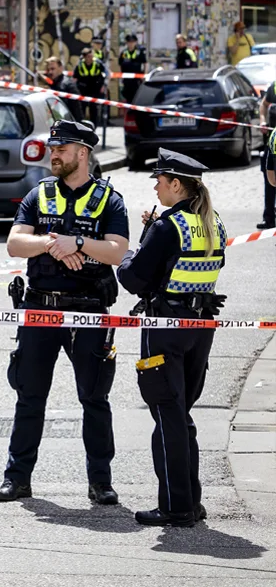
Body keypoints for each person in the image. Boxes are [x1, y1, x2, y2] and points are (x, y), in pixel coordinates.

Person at [0, 120, 130, 506]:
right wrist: (55, 244)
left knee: (94, 398)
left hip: (88, 309)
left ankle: (100, 481)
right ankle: (17, 478)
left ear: (83, 153)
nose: (53, 154)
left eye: (62, 149)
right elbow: (15, 244)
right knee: (29, 396)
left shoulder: (109, 199)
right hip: (40, 307)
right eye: (53, 148)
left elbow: (118, 252)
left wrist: (79, 243)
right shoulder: (38, 194)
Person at [117, 149, 223, 527]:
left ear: (176, 184)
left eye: (160, 182)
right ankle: (191, 500)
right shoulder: (213, 222)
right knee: (180, 413)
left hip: (165, 327)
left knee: (167, 415)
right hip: (200, 327)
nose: (157, 188)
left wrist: (132, 251)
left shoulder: (167, 227)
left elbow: (133, 278)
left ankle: (176, 507)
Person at [74, 47, 109, 127]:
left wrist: (104, 86)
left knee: (94, 109)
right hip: (83, 90)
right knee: (82, 108)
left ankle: (94, 127)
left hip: (95, 90)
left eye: (91, 56)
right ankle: (82, 126)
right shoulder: (80, 65)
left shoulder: (98, 63)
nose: (90, 58)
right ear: (84, 57)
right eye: (88, 57)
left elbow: (108, 74)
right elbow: (74, 78)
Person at [259, 85, 276, 229]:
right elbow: (263, 105)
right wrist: (262, 120)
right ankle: (269, 218)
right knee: (269, 181)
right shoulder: (274, 87)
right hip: (272, 143)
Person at [118, 34, 147, 104]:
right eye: (129, 42)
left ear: (135, 42)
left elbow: (145, 63)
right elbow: (120, 64)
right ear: (127, 43)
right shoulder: (124, 53)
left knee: (136, 97)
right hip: (127, 80)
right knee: (127, 98)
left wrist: (144, 75)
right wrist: (121, 76)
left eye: (132, 42)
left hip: (137, 80)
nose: (131, 44)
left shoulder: (139, 52)